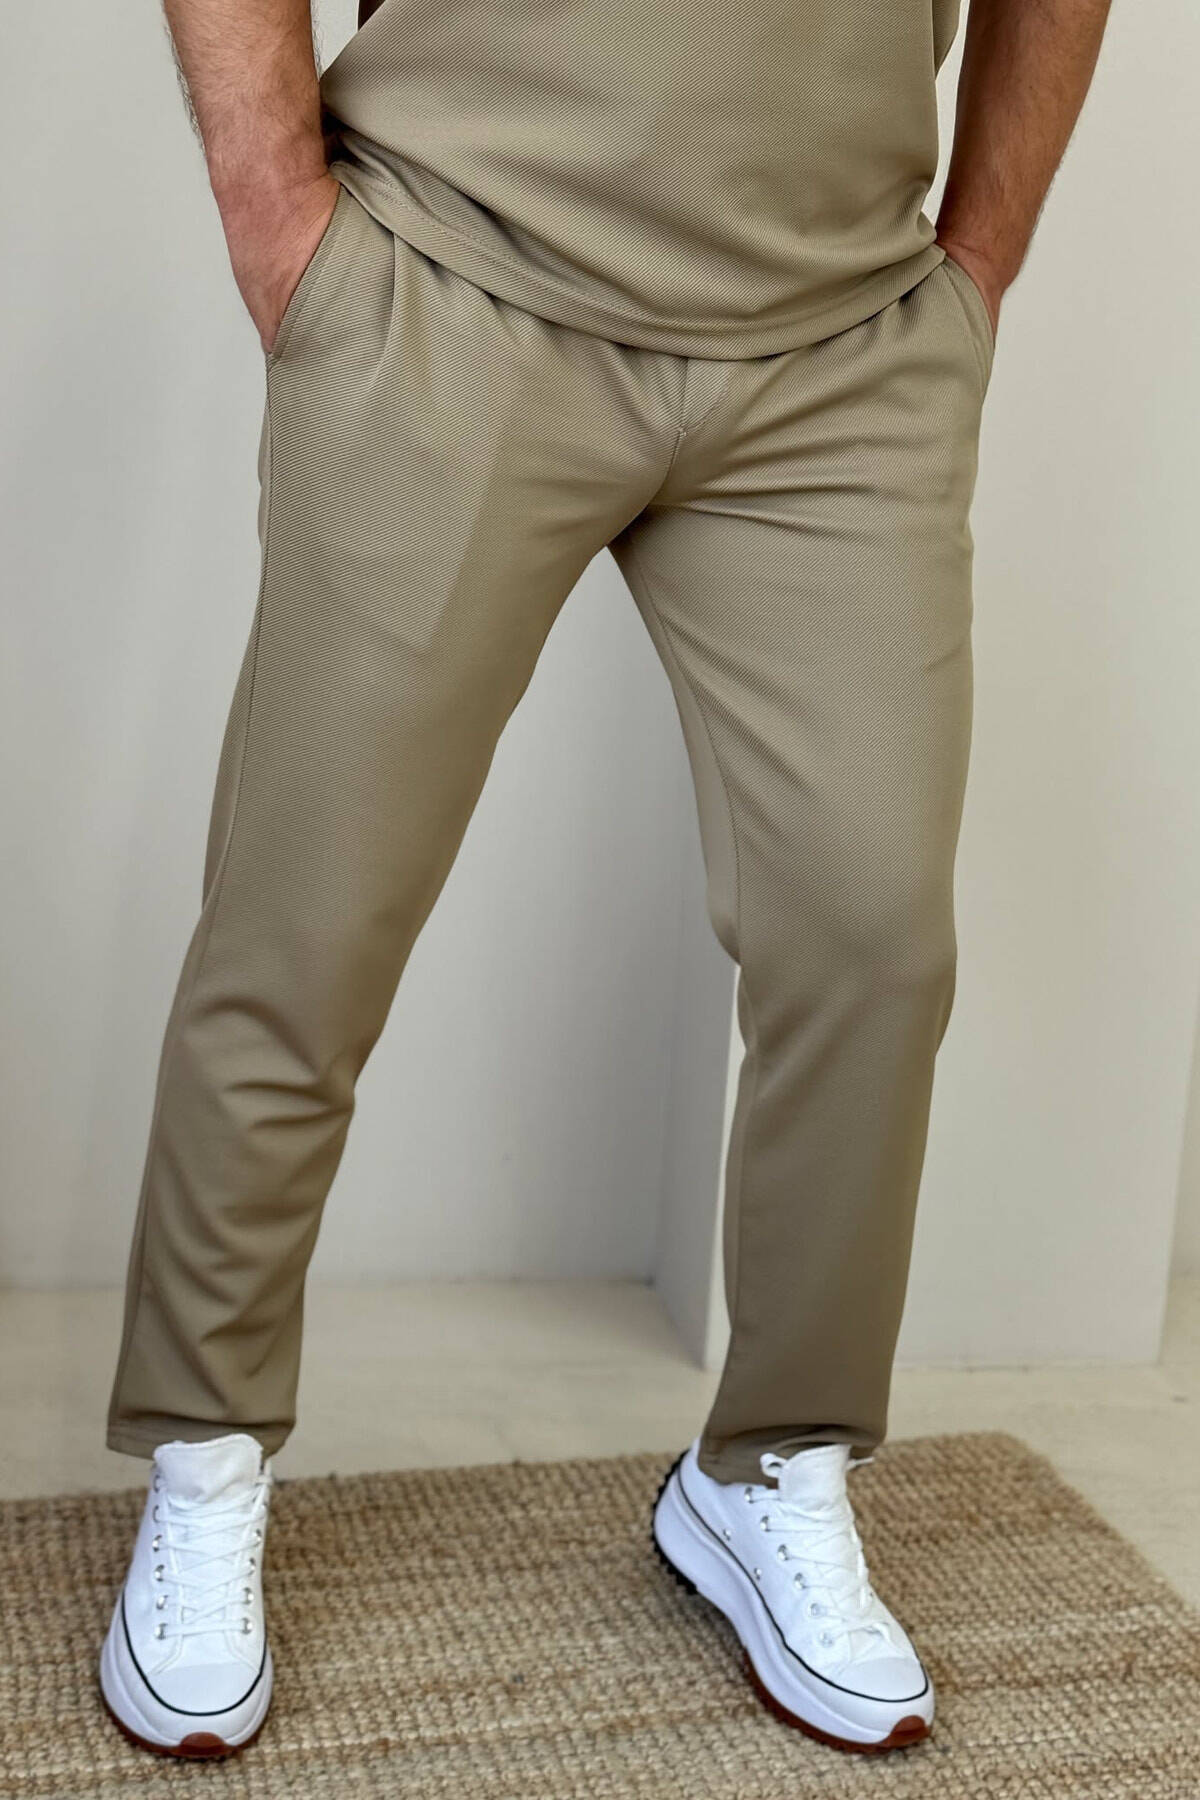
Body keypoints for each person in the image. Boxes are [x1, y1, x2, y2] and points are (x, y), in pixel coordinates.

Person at [96, 0, 1113, 1760]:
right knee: (305, 922)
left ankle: (773, 1462)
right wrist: (275, 208)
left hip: (842, 337)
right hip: (455, 275)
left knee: (870, 937)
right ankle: (205, 1449)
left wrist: (979, 270)